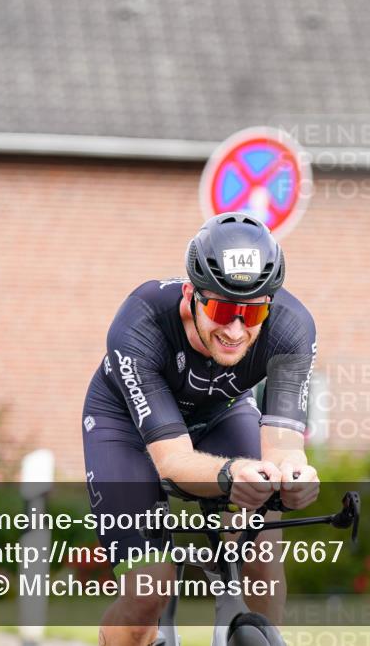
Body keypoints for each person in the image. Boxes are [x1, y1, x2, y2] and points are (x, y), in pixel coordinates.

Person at [82, 212, 320, 646]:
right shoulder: (140, 324)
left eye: (252, 313)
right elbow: (172, 462)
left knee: (263, 541)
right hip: (127, 429)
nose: (235, 329)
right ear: (191, 293)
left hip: (222, 414)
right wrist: (231, 475)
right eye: (222, 309)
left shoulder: (291, 329)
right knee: (149, 586)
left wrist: (295, 476)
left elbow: (284, 449)